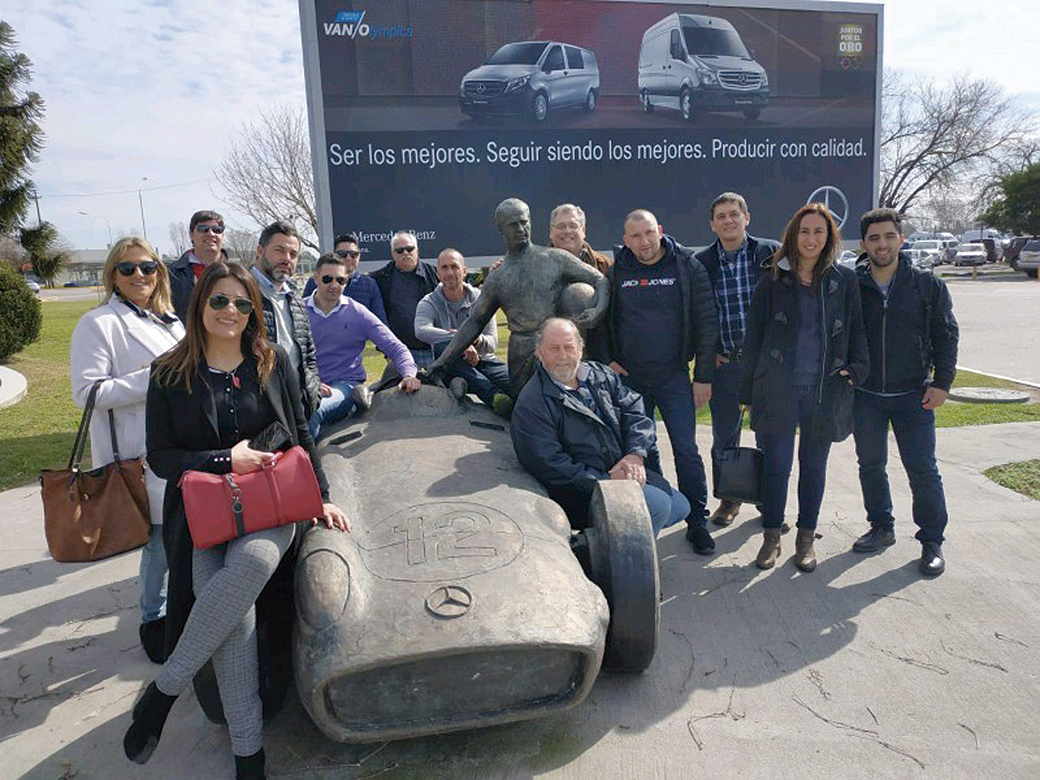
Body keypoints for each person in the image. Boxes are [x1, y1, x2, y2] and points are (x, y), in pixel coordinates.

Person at [129, 261, 349, 778]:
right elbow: (161, 456)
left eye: (243, 303)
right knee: (233, 619)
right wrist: (226, 459)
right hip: (203, 513)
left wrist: (322, 494)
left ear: (255, 311)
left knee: (249, 566)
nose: (231, 312)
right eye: (220, 301)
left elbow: (299, 430)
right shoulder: (168, 372)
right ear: (199, 304)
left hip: (272, 505)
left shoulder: (271, 361)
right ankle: (249, 756)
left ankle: (164, 691)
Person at [70, 237, 185, 664]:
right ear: (113, 277)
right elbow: (87, 392)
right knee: (157, 540)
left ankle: (180, 610)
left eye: (148, 267)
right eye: (128, 268)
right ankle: (153, 619)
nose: (140, 275)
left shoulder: (172, 321)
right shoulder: (98, 323)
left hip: (179, 448)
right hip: (138, 452)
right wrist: (153, 379)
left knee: (181, 536)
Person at [739, 203, 869, 572]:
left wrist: (856, 370)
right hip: (779, 389)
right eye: (804, 231)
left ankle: (805, 538)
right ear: (793, 236)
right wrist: (746, 392)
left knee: (814, 468)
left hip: (824, 391)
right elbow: (754, 338)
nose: (811, 239)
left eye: (818, 232)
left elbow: (858, 330)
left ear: (829, 237)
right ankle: (771, 538)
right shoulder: (772, 280)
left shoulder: (843, 281)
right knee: (777, 467)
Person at [593, 209, 718, 555]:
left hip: (674, 376)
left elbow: (708, 323)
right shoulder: (619, 271)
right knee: (642, 452)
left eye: (648, 233)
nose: (644, 243)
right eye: (635, 237)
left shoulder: (687, 266)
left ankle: (697, 520)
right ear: (625, 240)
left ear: (660, 231)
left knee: (686, 450)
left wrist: (703, 376)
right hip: (632, 380)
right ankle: (662, 511)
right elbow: (602, 321)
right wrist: (608, 360)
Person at [852, 208, 958, 577]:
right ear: (864, 244)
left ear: (901, 238)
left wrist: (943, 383)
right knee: (870, 466)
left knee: (923, 470)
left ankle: (932, 541)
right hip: (865, 396)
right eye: (874, 238)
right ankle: (881, 527)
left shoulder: (927, 285)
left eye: (888, 236)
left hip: (914, 395)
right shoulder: (854, 285)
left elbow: (946, 335)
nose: (882, 244)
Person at [511, 318, 689, 535]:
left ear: (580, 349)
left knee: (680, 506)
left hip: (618, 470)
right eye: (553, 348)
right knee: (658, 508)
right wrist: (606, 482)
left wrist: (635, 455)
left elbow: (635, 411)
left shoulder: (600, 374)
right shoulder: (533, 402)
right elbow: (550, 464)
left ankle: (621, 542)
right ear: (539, 352)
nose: (563, 356)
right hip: (579, 493)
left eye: (569, 347)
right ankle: (614, 557)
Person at [429, 198, 609, 398]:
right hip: (523, 353)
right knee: (527, 409)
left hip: (556, 344)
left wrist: (598, 309)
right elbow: (475, 321)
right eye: (513, 225)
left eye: (524, 222)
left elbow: (600, 280)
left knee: (580, 293)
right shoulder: (498, 277)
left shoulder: (554, 258)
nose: (521, 229)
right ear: (501, 229)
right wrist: (442, 362)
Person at [695, 193, 780, 528]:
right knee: (725, 437)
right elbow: (699, 314)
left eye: (734, 214)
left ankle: (768, 504)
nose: (728, 220)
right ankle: (729, 500)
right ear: (712, 224)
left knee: (768, 437)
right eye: (721, 216)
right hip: (726, 365)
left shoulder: (770, 252)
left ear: (747, 217)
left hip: (766, 367)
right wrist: (707, 352)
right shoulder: (702, 262)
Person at [306, 252, 420, 437]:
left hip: (343, 387)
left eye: (340, 280)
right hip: (307, 385)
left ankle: (306, 464)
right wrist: (309, 382)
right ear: (316, 278)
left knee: (312, 409)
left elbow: (396, 347)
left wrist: (409, 374)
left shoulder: (357, 312)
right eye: (327, 279)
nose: (334, 285)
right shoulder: (299, 311)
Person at [415, 248, 510, 406]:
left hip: (482, 360)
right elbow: (421, 330)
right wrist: (461, 341)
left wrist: (474, 340)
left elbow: (492, 343)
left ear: (464, 271)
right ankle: (494, 397)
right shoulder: (428, 302)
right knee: (442, 348)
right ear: (438, 273)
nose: (450, 272)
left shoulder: (482, 300)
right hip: (449, 364)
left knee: (515, 382)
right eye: (444, 268)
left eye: (454, 267)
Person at [251, 220, 322, 419]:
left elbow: (309, 355)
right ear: (260, 250)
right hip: (259, 409)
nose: (286, 259)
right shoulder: (242, 293)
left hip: (297, 406)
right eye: (279, 251)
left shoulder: (296, 300)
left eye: (293, 254)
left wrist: (312, 393)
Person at [371, 230, 439, 370]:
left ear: (417, 250)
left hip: (435, 352)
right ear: (392, 254)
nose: (405, 253)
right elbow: (376, 318)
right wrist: (386, 351)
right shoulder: (380, 279)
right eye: (400, 250)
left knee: (444, 390)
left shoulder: (436, 274)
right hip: (401, 354)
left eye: (409, 249)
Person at [301, 233, 387, 323]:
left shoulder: (369, 285)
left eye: (353, 254)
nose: (348, 258)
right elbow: (303, 317)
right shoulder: (316, 282)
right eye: (342, 254)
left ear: (359, 256)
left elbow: (380, 323)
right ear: (334, 254)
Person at [168, 210, 227, 321]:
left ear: (223, 235)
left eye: (217, 230)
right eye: (203, 229)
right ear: (191, 234)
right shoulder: (170, 274)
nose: (210, 234)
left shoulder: (237, 274)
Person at [548, 203, 612, 274]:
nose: (567, 231)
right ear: (551, 231)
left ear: (583, 231)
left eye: (573, 226)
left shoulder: (605, 265)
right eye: (561, 226)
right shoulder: (537, 264)